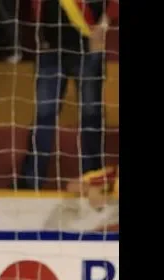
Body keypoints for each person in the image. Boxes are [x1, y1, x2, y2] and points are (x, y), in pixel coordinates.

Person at [15, 0, 118, 190]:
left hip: (88, 45)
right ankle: (31, 181)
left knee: (91, 115)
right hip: (50, 49)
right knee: (43, 116)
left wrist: (103, 25)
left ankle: (93, 178)